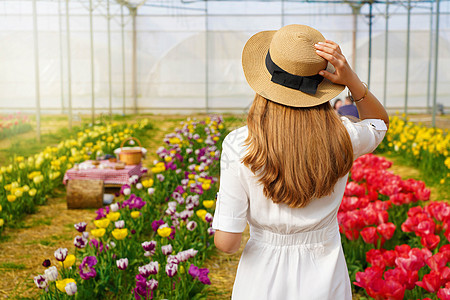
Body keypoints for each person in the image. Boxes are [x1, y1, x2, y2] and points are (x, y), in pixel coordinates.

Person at [212, 24, 388, 299]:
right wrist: (352, 81)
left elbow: (227, 243)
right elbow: (379, 123)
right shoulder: (345, 136)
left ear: (265, 80)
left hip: (261, 280)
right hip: (326, 277)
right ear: (325, 83)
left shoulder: (240, 144)